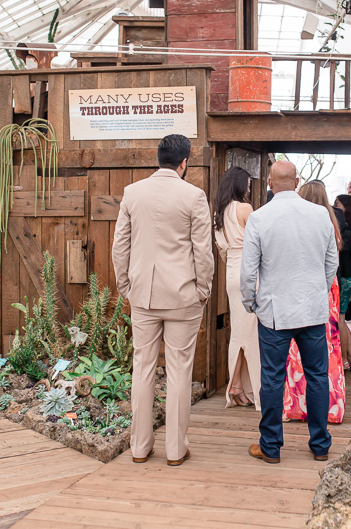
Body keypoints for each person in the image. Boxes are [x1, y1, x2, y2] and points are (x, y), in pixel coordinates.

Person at [112, 134, 214, 467]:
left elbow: (120, 246)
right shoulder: (194, 196)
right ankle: (175, 449)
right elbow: (202, 250)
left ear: (159, 159)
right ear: (185, 162)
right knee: (179, 372)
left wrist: (126, 285)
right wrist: (203, 289)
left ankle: (140, 447)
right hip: (183, 295)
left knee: (141, 368)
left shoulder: (132, 192)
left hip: (142, 294)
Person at [241, 161, 338, 465]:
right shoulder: (320, 214)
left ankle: (270, 446)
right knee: (318, 377)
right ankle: (320, 444)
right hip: (311, 309)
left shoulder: (259, 217)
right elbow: (331, 262)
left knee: (271, 378)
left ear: (269, 182)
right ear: (297, 181)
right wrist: (317, 290)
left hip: (274, 311)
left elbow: (247, 271)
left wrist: (250, 302)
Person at [283, 181, 346, 424]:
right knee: (327, 346)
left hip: (303, 285)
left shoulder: (296, 222)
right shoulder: (330, 222)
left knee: (296, 347)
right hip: (328, 286)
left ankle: (298, 405)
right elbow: (334, 261)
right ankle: (331, 406)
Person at [212, 166, 260, 410]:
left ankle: (238, 385)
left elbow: (222, 249)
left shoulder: (219, 212)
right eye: (248, 184)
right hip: (248, 272)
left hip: (231, 271)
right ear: (240, 185)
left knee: (239, 333)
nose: (250, 188)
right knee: (250, 334)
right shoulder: (245, 208)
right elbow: (256, 243)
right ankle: (242, 387)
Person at [333, 194, 351, 370]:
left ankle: (343, 360)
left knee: (340, 320)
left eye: (337, 204)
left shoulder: (346, 232)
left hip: (344, 278)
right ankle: (350, 358)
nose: (334, 207)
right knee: (342, 318)